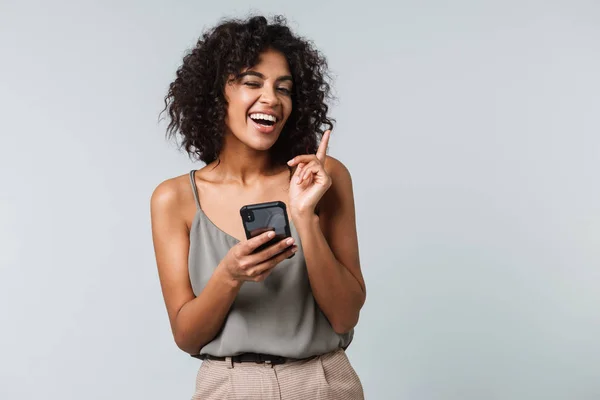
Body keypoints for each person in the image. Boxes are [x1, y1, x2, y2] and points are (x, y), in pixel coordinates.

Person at [151, 14, 366, 399]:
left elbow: (345, 315)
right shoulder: (175, 198)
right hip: (230, 386)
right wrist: (229, 276)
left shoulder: (322, 177)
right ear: (217, 93)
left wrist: (304, 216)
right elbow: (186, 337)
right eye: (252, 82)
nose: (271, 98)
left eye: (283, 88)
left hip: (323, 381)